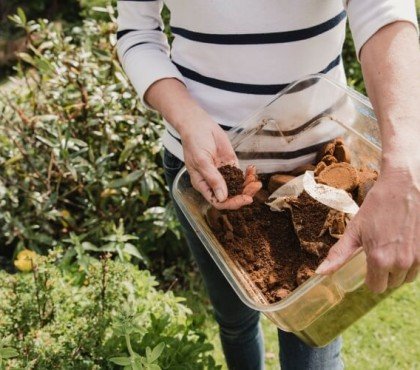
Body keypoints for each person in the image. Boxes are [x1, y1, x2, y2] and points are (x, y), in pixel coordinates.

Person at [116, 1, 420, 369]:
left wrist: (404, 169)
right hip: (207, 173)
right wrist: (187, 117)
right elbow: (137, 33)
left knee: (313, 347)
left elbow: (383, 11)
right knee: (234, 320)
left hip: (323, 173)